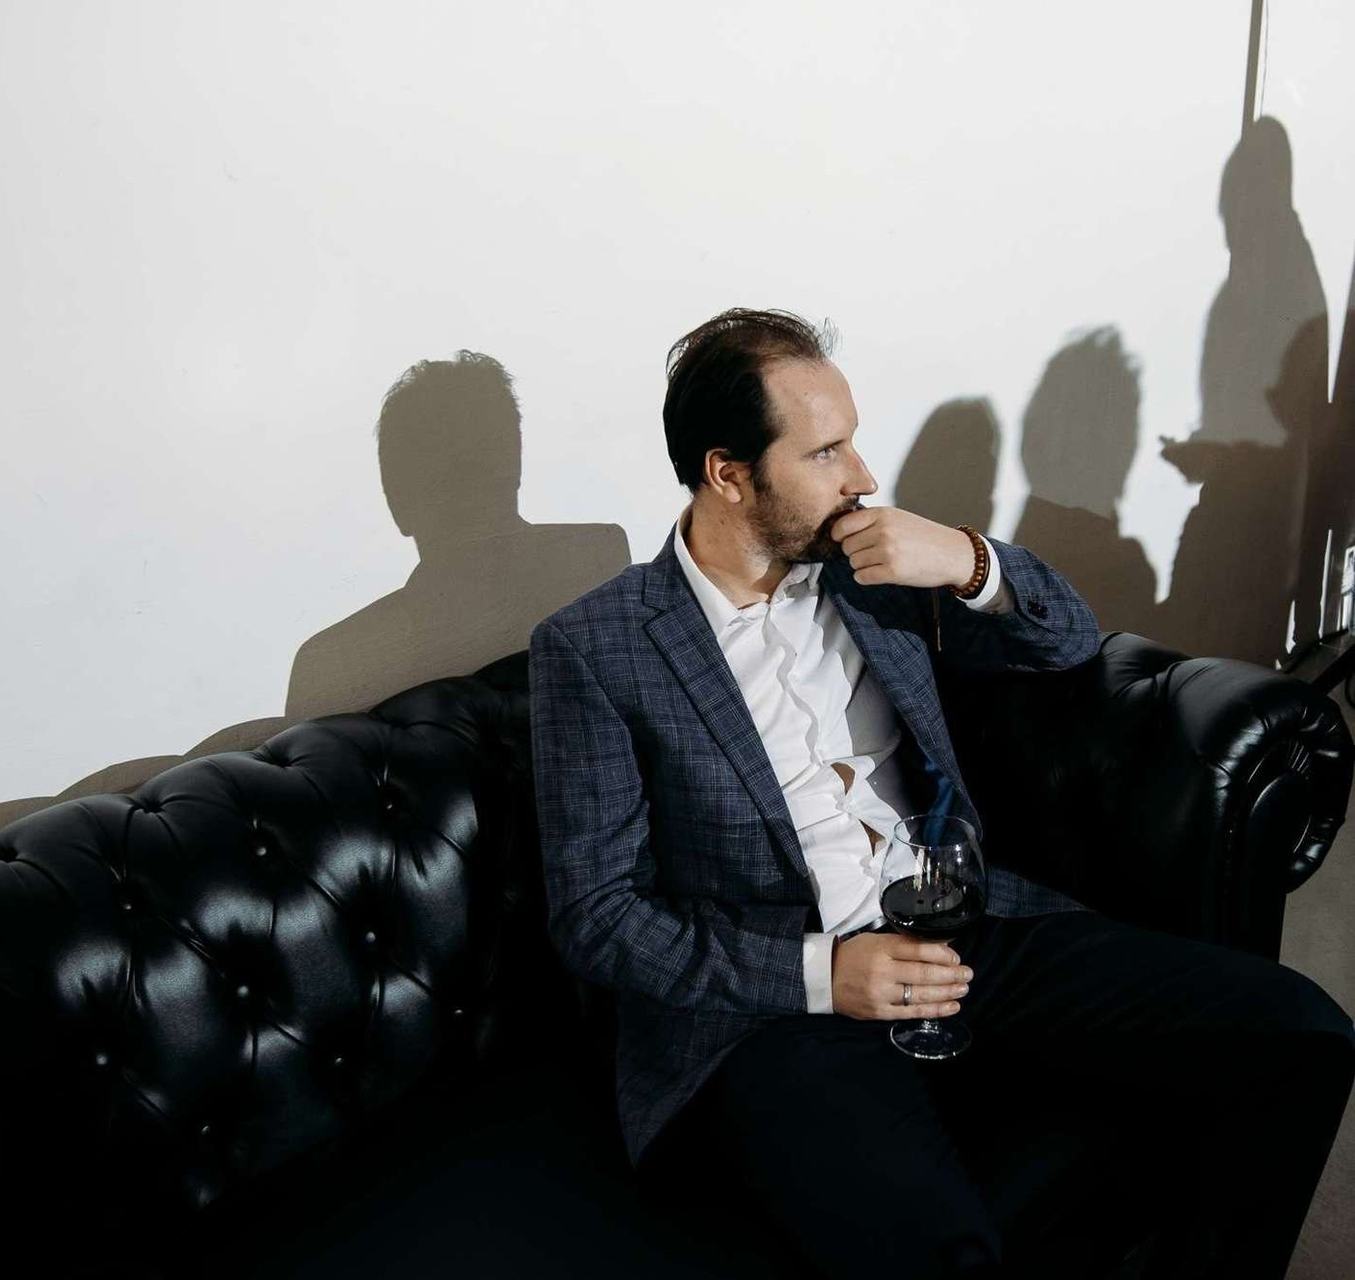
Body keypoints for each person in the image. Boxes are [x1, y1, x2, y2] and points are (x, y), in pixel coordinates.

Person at [526, 308, 1355, 1279]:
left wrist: (969, 562)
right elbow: (598, 916)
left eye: (853, 441)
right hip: (774, 1012)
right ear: (728, 473)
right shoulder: (597, 648)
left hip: (965, 924)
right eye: (825, 452)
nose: (863, 476)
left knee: (1303, 1035)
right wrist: (820, 973)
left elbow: (1068, 642)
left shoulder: (871, 571)